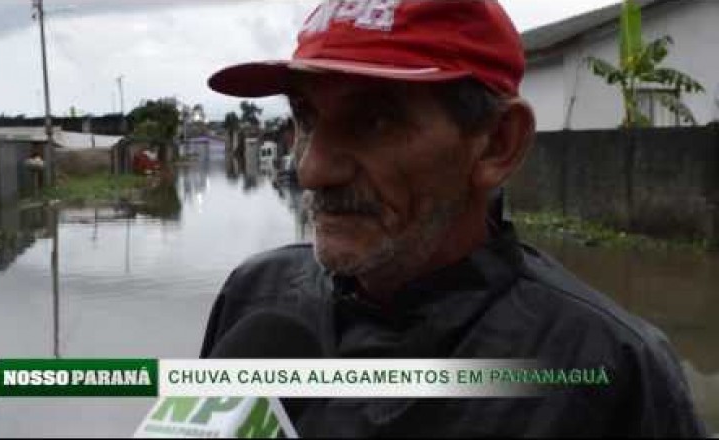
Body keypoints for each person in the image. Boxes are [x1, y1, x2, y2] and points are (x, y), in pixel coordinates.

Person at [200, 0, 707, 437]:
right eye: (306, 117)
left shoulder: (609, 365)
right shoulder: (255, 296)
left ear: (496, 145)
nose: (311, 170)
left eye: (374, 120)